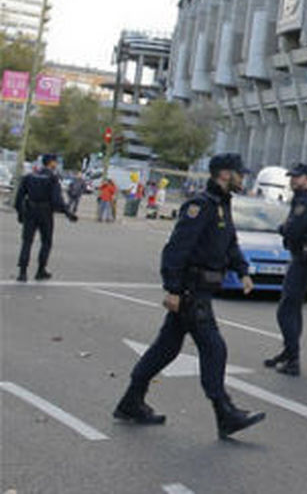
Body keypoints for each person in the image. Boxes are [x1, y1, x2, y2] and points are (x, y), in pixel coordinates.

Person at [112, 153, 266, 439]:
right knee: (214, 348)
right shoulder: (201, 206)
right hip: (190, 291)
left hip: (199, 289)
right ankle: (225, 412)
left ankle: (131, 401)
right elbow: (176, 249)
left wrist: (243, 271)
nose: (242, 178)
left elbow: (229, 243)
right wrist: (172, 288)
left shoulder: (222, 204)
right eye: (239, 173)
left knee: (165, 349)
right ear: (224, 174)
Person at [264, 163, 307, 376]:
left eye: (297, 177)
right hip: (301, 257)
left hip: (304, 259)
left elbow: (292, 228)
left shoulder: (306, 202)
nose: (293, 181)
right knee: (292, 308)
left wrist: (283, 228)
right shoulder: (300, 199)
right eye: (292, 177)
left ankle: (293, 358)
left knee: (286, 310)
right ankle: (289, 352)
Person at [13, 154, 78, 282]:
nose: (56, 164)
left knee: (27, 242)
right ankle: (40, 270)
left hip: (30, 210)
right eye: (55, 162)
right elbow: (57, 200)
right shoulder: (52, 178)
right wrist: (67, 213)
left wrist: (20, 213)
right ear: (51, 163)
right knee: (46, 242)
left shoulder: (29, 177)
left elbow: (19, 198)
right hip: (45, 212)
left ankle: (22, 272)